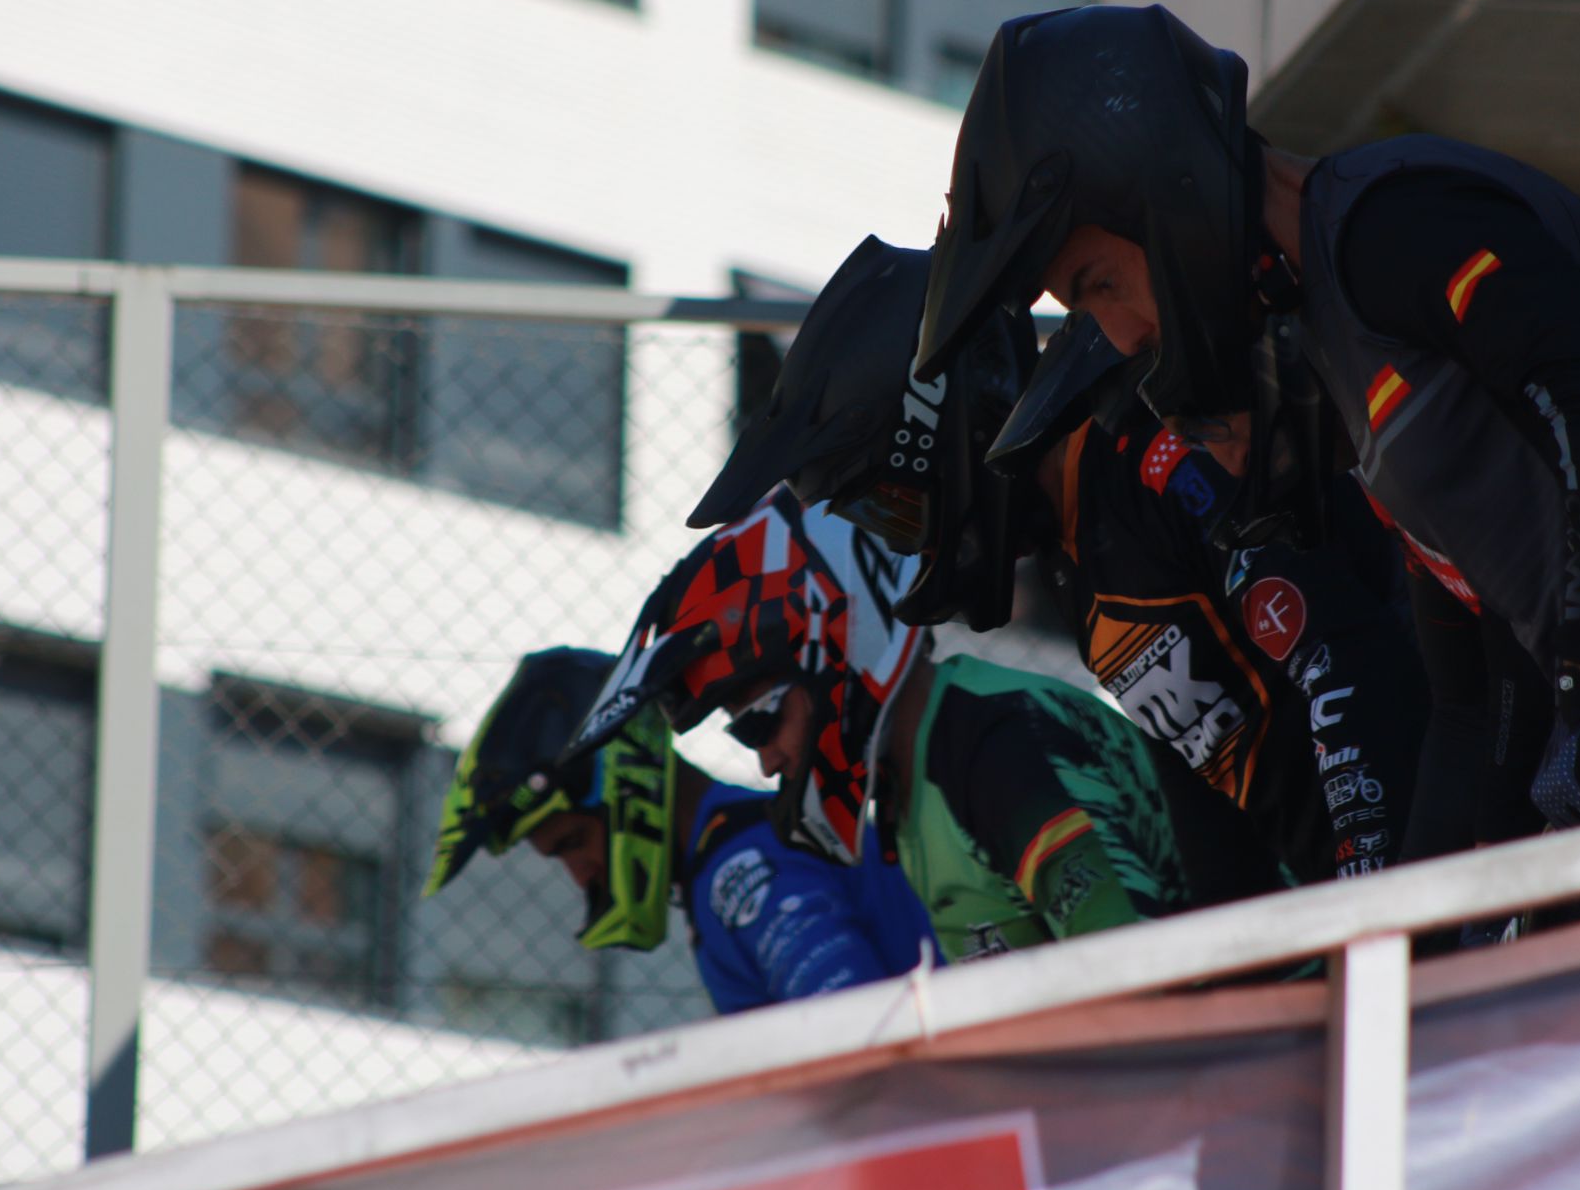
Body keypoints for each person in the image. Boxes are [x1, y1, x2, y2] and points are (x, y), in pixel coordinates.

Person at [913, 2, 1580, 840]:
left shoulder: (1390, 222)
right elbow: (1467, 700)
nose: (1122, 332)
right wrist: (1415, 932)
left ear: (1160, 191)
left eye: (1097, 282)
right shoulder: (1337, 346)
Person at [690, 238, 1502, 884]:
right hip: (1378, 891)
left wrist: (1381, 893)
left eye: (895, 506)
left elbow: (1349, 657)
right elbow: (1204, 787)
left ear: (952, 428)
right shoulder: (1076, 558)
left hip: (1477, 848)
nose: (907, 543)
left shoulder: (1154, 448)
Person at [564, 489, 1282, 962]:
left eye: (758, 726)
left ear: (836, 654)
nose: (768, 765)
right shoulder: (916, 777)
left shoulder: (990, 750)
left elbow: (1126, 977)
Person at [423, 646, 937, 1015]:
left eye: (574, 843)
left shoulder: (739, 870)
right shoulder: (746, 840)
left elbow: (858, 1027)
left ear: (622, 780)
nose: (579, 876)